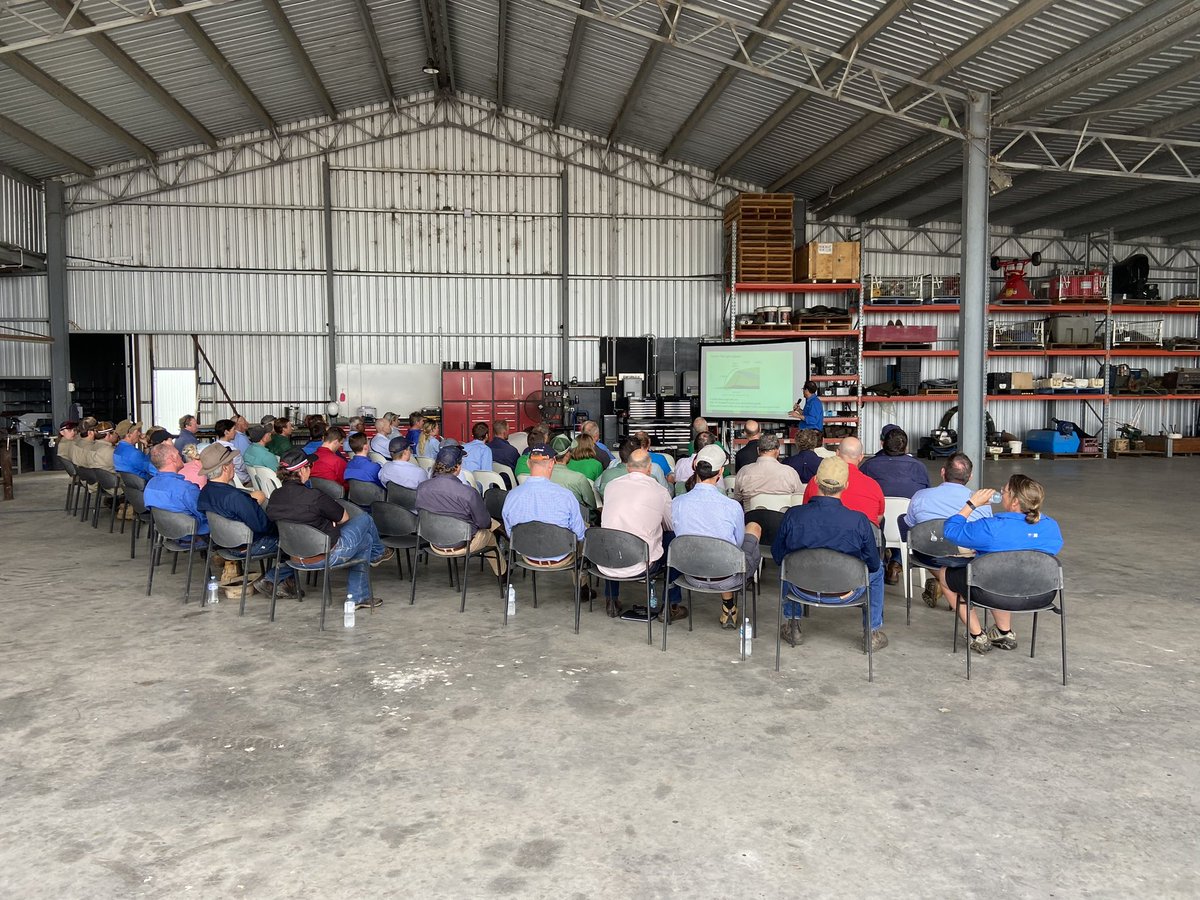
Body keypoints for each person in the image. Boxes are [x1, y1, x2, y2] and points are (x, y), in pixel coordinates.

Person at [938, 474, 1064, 654]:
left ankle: (977, 635)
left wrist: (971, 504)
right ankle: (1004, 632)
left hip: (991, 592)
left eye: (1004, 492)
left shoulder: (991, 527)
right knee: (1010, 572)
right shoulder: (1051, 526)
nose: (1001, 494)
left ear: (1014, 502)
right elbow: (1048, 550)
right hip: (1040, 593)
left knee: (945, 573)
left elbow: (950, 530)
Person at [773, 456, 887, 652]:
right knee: (878, 572)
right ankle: (871, 632)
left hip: (801, 589)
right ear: (846, 485)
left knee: (787, 564)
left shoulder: (793, 515)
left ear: (815, 480)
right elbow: (873, 564)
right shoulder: (858, 521)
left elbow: (777, 556)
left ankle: (793, 626)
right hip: (846, 591)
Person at [265, 448, 393, 608]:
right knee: (365, 519)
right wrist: (326, 520)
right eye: (309, 466)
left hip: (294, 556)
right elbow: (344, 518)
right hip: (325, 555)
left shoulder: (275, 496)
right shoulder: (314, 496)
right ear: (302, 470)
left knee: (365, 540)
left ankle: (360, 596)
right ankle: (377, 555)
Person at [195, 443, 301, 598]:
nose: (233, 466)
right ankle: (271, 579)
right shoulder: (235, 497)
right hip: (250, 545)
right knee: (296, 541)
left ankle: (283, 585)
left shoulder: (205, 492)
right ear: (225, 468)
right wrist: (283, 529)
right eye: (231, 462)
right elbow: (262, 526)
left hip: (224, 543)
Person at [672, 454, 763, 629]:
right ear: (720, 472)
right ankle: (729, 607)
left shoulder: (677, 502)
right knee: (752, 528)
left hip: (691, 573)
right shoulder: (731, 506)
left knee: (713, 549)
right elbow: (736, 544)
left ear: (695, 469)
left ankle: (729, 607)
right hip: (728, 576)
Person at [598, 449, 683, 620]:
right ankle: (670, 605)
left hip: (608, 561)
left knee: (614, 535)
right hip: (642, 563)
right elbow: (668, 525)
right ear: (650, 468)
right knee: (673, 540)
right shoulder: (660, 491)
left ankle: (611, 600)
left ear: (628, 467)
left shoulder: (611, 486)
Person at [500, 444, 593, 599]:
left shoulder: (512, 496)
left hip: (527, 554)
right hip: (562, 555)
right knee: (583, 533)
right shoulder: (566, 496)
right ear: (552, 463)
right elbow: (580, 535)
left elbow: (511, 533)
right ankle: (582, 586)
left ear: (529, 464)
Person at [904, 452, 991, 607]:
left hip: (928, 554)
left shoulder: (920, 496)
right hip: (966, 557)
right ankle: (952, 583)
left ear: (943, 472)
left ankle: (943, 581)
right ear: (969, 477)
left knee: (917, 538)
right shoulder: (982, 503)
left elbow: (911, 525)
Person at [415, 445, 506, 578]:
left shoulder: (422, 488)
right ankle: (503, 574)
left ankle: (503, 532)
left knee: (490, 523)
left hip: (434, 541)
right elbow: (484, 523)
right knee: (489, 533)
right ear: (457, 467)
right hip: (462, 544)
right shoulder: (468, 493)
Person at [801, 436, 884, 525]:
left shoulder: (817, 480)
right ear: (861, 457)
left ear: (837, 453)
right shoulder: (873, 486)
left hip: (821, 535)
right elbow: (878, 518)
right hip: (861, 536)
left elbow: (806, 512)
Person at [144, 441, 209, 537]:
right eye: (178, 454)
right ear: (172, 458)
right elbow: (204, 513)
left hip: (165, 532)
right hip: (192, 535)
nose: (180, 457)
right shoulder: (186, 489)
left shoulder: (150, 485)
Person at [732, 433, 803, 510]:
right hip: (782, 520)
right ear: (778, 452)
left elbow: (737, 499)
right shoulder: (790, 472)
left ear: (758, 450)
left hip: (751, 519)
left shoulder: (743, 472)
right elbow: (799, 499)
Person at [860, 425, 931, 500]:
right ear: (905, 446)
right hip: (909, 510)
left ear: (882, 443)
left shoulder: (868, 466)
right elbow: (926, 495)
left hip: (878, 510)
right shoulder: (919, 467)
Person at [597, 438, 667, 497]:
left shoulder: (609, 471)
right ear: (640, 452)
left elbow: (596, 486)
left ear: (620, 453)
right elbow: (665, 493)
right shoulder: (653, 473)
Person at [213, 418, 252, 487]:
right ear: (226, 432)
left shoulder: (212, 447)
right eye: (233, 429)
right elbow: (243, 468)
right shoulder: (232, 451)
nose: (236, 432)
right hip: (241, 482)